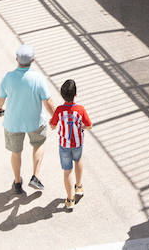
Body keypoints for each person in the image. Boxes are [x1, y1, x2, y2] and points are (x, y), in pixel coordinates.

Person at [0, 43, 55, 195]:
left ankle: (17, 182)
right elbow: (48, 102)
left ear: (16, 59)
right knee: (38, 145)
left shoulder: (8, 77)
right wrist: (56, 117)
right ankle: (35, 176)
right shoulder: (38, 78)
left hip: (12, 123)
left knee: (16, 153)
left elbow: (0, 99)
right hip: (35, 122)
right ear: (33, 60)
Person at [48, 78, 92, 212]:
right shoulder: (80, 109)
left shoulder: (59, 110)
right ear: (76, 94)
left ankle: (70, 199)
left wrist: (51, 123)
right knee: (78, 161)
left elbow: (53, 126)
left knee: (67, 171)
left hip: (64, 145)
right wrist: (82, 127)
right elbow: (89, 125)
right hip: (78, 142)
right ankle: (78, 186)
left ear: (62, 95)